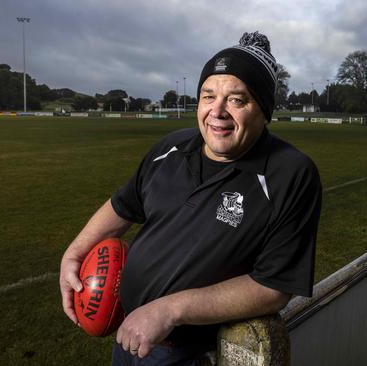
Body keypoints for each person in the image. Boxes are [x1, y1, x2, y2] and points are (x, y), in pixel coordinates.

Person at [59, 31, 322, 365]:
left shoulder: (290, 174)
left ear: (264, 110)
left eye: (237, 99)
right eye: (208, 96)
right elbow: (122, 206)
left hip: (192, 354)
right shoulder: (169, 148)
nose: (218, 111)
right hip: (131, 337)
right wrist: (74, 254)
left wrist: (169, 310)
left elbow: (273, 287)